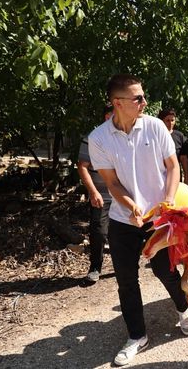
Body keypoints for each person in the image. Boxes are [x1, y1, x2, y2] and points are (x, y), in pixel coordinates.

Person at [88, 74, 188, 366]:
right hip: (124, 220)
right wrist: (132, 206)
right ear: (117, 103)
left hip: (159, 218)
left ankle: (183, 309)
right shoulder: (99, 138)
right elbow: (112, 183)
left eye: (143, 96)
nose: (145, 103)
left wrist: (169, 200)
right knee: (126, 281)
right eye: (138, 98)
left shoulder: (156, 126)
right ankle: (137, 336)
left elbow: (173, 167)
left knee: (165, 270)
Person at [77, 104, 114, 283]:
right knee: (98, 231)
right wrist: (93, 192)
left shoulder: (125, 138)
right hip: (102, 196)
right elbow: (82, 166)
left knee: (122, 233)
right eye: (112, 115)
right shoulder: (93, 138)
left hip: (123, 197)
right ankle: (95, 267)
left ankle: (123, 265)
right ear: (106, 117)